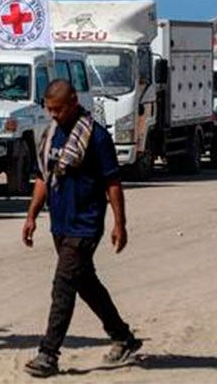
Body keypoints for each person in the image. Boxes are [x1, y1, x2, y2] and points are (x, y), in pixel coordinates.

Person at [21, 79, 142, 378]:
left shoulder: (96, 137)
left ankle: (48, 354)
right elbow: (43, 177)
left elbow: (112, 182)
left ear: (74, 102)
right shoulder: (51, 134)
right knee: (86, 284)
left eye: (59, 109)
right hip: (60, 224)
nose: (54, 115)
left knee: (63, 286)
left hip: (85, 224)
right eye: (49, 109)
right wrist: (31, 216)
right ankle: (123, 337)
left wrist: (120, 223)